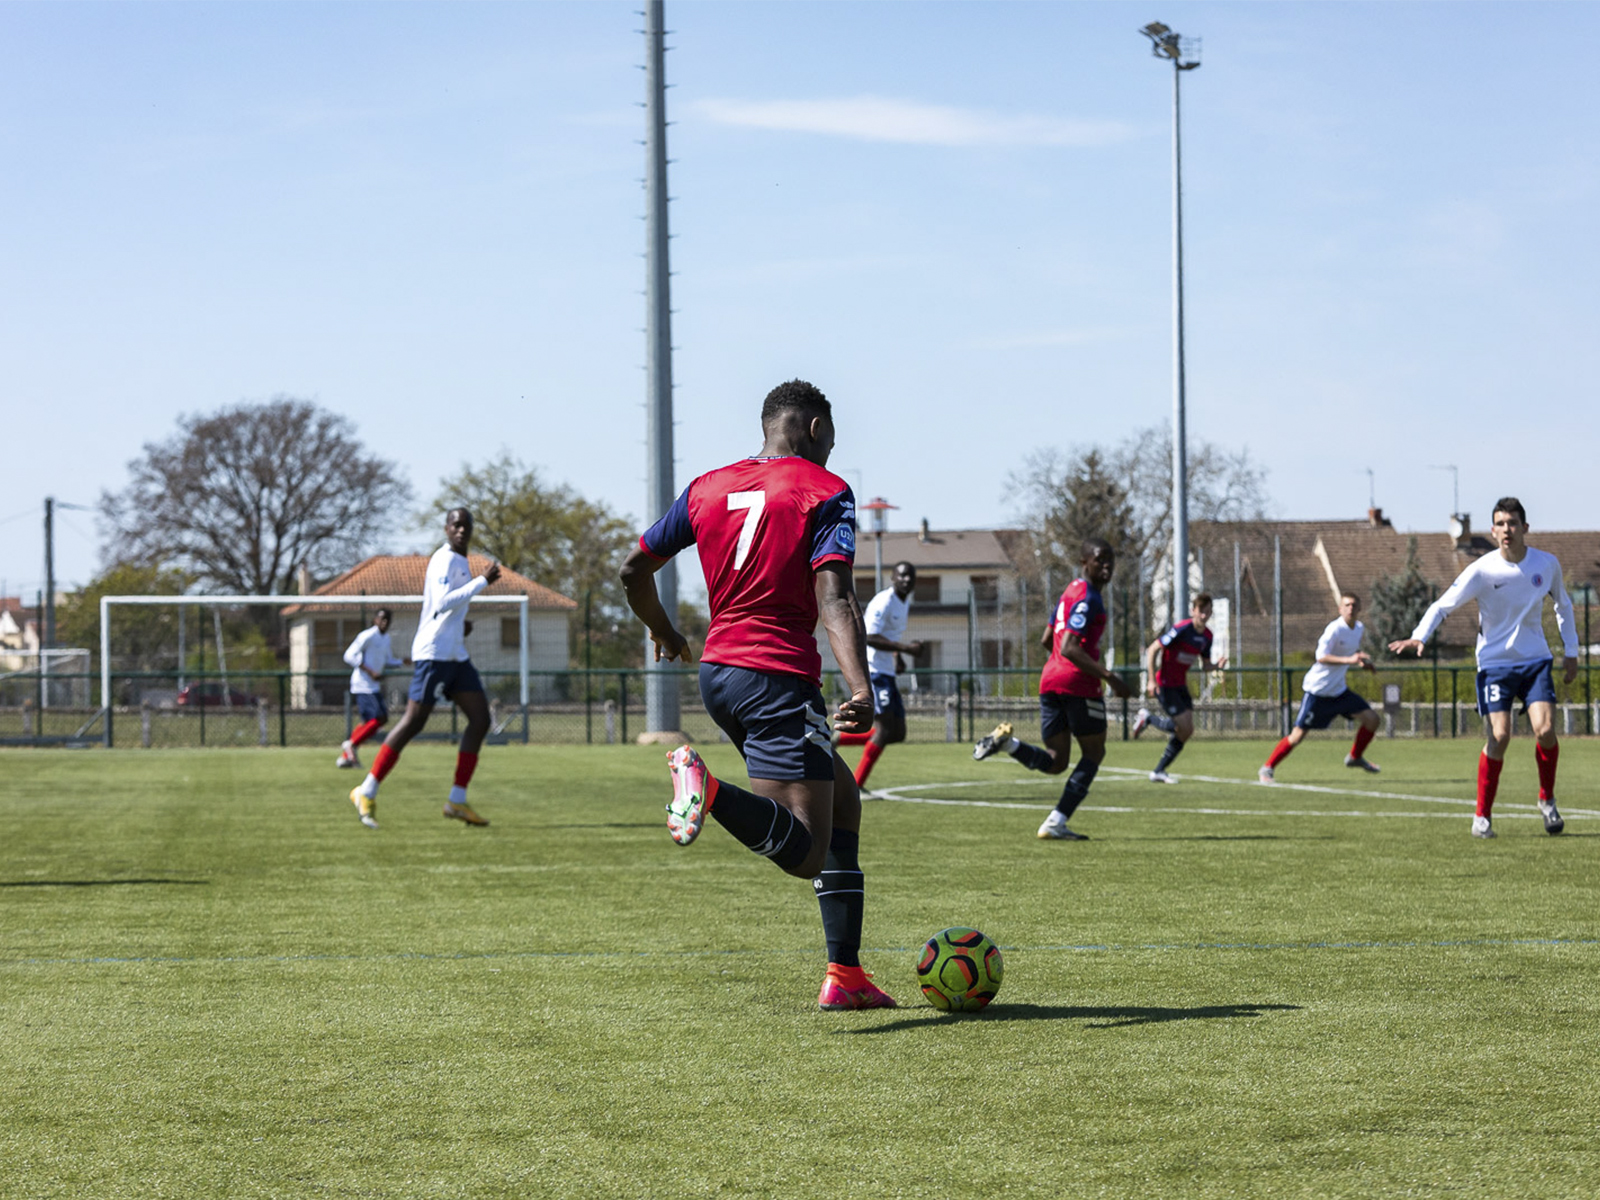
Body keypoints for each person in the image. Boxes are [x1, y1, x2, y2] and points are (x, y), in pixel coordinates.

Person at [618, 378, 896, 1011]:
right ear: (817, 429)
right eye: (831, 440)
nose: (830, 452)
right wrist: (862, 686)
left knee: (842, 801)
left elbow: (633, 571)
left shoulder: (707, 488)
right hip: (776, 677)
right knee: (806, 852)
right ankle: (708, 788)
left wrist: (666, 632)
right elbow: (835, 598)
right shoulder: (824, 489)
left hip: (720, 673)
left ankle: (845, 974)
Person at [1389, 497, 1577, 838]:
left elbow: (1563, 605)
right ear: (1492, 531)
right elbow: (1442, 605)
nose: (1507, 529)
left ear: (1525, 527)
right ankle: (1482, 816)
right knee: (1499, 736)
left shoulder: (1546, 564)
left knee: (1546, 730)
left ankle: (1547, 800)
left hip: (1535, 661)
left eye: (1513, 523)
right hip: (1494, 665)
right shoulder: (1482, 570)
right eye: (1501, 524)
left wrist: (1572, 651)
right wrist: (1419, 636)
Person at [348, 508, 502, 830]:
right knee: (413, 722)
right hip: (434, 654)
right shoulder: (444, 559)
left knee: (480, 719)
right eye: (455, 525)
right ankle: (366, 789)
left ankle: (456, 800)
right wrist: (482, 581)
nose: (461, 530)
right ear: (446, 529)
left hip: (455, 655)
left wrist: (460, 627)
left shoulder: (460, 560)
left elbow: (447, 610)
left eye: (466, 525)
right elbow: (443, 602)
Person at [971, 537, 1133, 840]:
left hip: (1050, 681)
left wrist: (1060, 666)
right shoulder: (1089, 597)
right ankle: (1056, 822)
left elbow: (1048, 639)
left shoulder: (1069, 591)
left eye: (1110, 559)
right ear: (1084, 562)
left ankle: (1009, 745)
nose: (1107, 565)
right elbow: (1069, 647)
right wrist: (1110, 677)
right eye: (1100, 559)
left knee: (1057, 761)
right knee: (1094, 752)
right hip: (1078, 684)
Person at [1258, 591, 1381, 783]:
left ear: (1359, 608)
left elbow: (1351, 652)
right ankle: (1267, 768)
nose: (1350, 609)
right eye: (1346, 605)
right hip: (1318, 691)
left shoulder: (1358, 628)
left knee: (1372, 719)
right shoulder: (1334, 629)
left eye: (1354, 605)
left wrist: (1362, 662)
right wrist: (1349, 660)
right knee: (1297, 736)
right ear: (1340, 609)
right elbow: (1321, 656)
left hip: (1339, 691)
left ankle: (1355, 757)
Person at [835, 561, 924, 790]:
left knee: (898, 732)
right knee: (883, 730)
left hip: (886, 671)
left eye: (910, 576)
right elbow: (870, 636)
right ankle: (857, 786)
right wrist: (906, 649)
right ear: (893, 578)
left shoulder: (904, 602)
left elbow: (889, 635)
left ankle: (838, 739)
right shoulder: (884, 601)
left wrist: (898, 657)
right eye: (902, 575)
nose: (907, 580)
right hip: (874, 670)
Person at [1133, 592, 1226, 783]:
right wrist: (1151, 680)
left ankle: (1159, 770)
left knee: (1187, 730)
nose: (1204, 615)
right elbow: (1153, 649)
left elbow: (1205, 665)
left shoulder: (1207, 636)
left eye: (1208, 612)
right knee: (1182, 726)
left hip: (1180, 685)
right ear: (1193, 611)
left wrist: (1217, 666)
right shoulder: (1182, 629)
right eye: (1201, 611)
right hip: (1165, 684)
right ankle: (1148, 718)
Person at [336, 608, 407, 770]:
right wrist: (370, 672)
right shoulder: (367, 636)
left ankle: (346, 757)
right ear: (375, 620)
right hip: (362, 684)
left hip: (373, 686)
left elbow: (387, 660)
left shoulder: (386, 638)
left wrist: (402, 662)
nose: (384, 622)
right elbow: (349, 655)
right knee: (379, 718)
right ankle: (351, 744)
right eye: (382, 619)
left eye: (387, 620)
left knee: (372, 721)